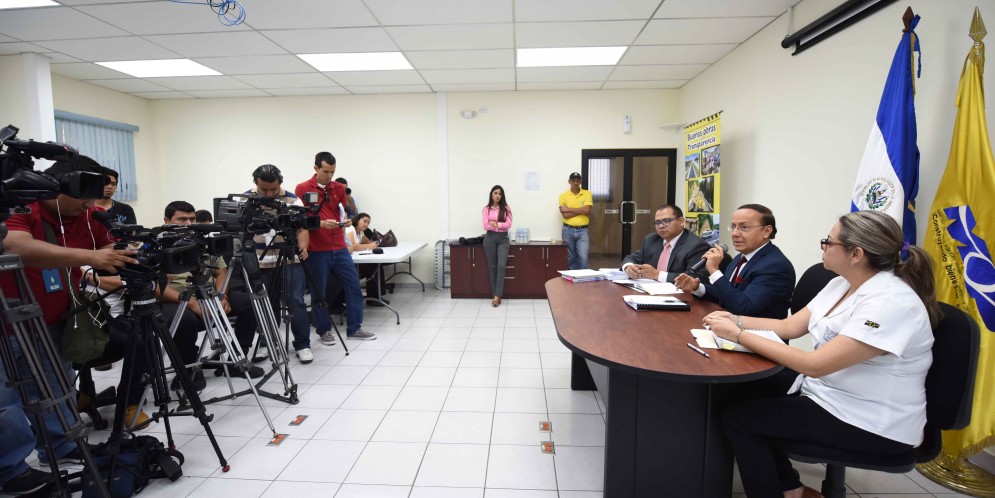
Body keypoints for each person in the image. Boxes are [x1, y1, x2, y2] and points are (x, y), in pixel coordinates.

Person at [702, 210, 939, 498]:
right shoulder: (841, 283)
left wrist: (738, 335)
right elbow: (789, 326)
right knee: (732, 392)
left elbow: (814, 365)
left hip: (869, 420)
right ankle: (792, 490)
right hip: (829, 392)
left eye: (829, 242)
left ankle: (785, 490)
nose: (823, 246)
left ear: (856, 254)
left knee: (740, 419)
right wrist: (735, 319)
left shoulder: (890, 302)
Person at [0, 157, 139, 493]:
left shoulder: (85, 216)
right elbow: (15, 246)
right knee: (5, 402)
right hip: (6, 324)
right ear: (57, 186)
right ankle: (11, 471)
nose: (91, 204)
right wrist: (90, 257)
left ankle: (62, 445)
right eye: (84, 196)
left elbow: (110, 245)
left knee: (56, 387)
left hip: (53, 320)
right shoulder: (20, 208)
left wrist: (128, 249)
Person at [158, 201, 263, 386]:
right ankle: (188, 369)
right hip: (174, 299)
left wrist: (222, 296)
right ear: (167, 221)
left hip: (209, 295)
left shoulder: (202, 242)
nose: (188, 224)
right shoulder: (157, 247)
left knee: (251, 302)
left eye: (192, 219)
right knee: (184, 320)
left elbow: (221, 272)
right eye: (182, 219)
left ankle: (236, 358)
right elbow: (154, 286)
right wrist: (191, 304)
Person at [295, 152, 376, 341]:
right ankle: (323, 330)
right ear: (316, 168)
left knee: (354, 286)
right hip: (317, 248)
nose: (329, 176)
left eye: (332, 172)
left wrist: (346, 221)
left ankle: (354, 328)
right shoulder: (302, 188)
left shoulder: (339, 188)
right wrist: (321, 224)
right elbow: (300, 219)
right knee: (319, 292)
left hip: (339, 247)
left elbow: (341, 212)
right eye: (325, 172)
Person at [674, 204, 795, 318]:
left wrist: (714, 270)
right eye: (733, 227)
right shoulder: (741, 257)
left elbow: (744, 308)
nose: (735, 234)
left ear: (767, 231)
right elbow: (727, 294)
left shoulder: (775, 266)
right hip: (729, 325)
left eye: (744, 227)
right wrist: (698, 287)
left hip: (755, 331)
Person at [247, 164, 315, 364]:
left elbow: (303, 228)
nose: (269, 194)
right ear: (256, 184)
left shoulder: (293, 200)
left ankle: (302, 344)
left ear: (280, 184)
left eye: (273, 189)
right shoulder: (245, 200)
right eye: (264, 190)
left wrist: (303, 247)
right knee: (267, 303)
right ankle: (268, 342)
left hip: (289, 259)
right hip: (259, 261)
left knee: (296, 301)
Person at [622, 204, 710, 283]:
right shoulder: (652, 239)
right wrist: (629, 267)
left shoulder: (697, 246)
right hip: (648, 290)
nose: (661, 226)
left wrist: (657, 275)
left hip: (679, 294)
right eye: (657, 222)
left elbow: (694, 278)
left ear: (681, 221)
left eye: (667, 221)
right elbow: (631, 258)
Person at [345, 212, 388, 304]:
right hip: (349, 264)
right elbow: (352, 246)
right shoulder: (350, 228)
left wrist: (373, 244)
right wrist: (369, 246)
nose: (366, 224)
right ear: (357, 220)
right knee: (374, 267)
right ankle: (374, 297)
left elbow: (368, 242)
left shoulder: (360, 232)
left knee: (376, 266)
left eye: (368, 223)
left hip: (356, 262)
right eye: (364, 221)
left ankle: (376, 296)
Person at [482, 185, 512, 307]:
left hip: (503, 239)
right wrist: (499, 223)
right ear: (491, 194)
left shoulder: (506, 209)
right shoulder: (486, 209)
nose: (497, 195)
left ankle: (497, 295)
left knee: (501, 266)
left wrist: (496, 224)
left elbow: (508, 224)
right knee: (492, 266)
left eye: (500, 193)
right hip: (489, 239)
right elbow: (485, 225)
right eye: (495, 193)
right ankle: (496, 295)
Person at [559, 172, 592, 270]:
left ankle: (583, 277)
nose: (576, 182)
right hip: (568, 230)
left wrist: (569, 209)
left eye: (578, 180)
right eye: (573, 180)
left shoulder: (587, 193)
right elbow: (565, 215)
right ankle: (572, 277)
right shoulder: (563, 196)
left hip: (583, 231)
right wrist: (581, 210)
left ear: (581, 181)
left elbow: (587, 211)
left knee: (583, 257)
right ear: (569, 182)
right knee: (571, 257)